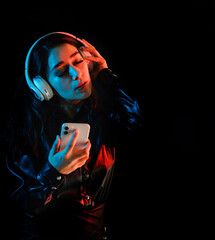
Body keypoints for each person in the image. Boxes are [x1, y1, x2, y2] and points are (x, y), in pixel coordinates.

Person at [4, 32, 142, 240]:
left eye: (79, 61)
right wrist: (53, 172)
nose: (77, 74)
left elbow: (144, 121)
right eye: (62, 72)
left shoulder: (104, 117)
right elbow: (22, 205)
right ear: (43, 87)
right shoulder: (26, 133)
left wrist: (106, 76)